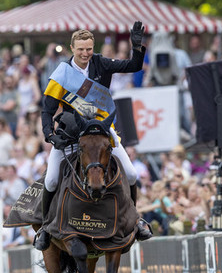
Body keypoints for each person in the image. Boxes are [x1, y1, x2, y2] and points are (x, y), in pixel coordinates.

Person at [34, 22, 151, 251]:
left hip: (101, 130)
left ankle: (135, 221)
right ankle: (45, 228)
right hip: (70, 134)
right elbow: (47, 110)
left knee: (131, 173)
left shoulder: (101, 63)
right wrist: (50, 135)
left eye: (89, 49)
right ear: (72, 48)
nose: (85, 54)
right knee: (51, 180)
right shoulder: (62, 74)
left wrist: (136, 47)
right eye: (80, 50)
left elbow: (134, 66)